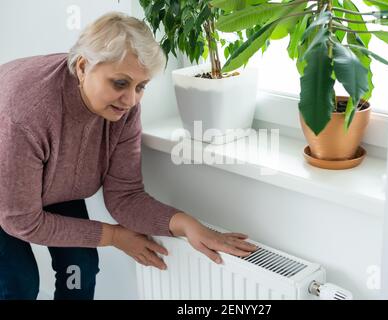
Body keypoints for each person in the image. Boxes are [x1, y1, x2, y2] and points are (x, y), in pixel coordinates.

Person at [0, 12, 257, 300]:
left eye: (141, 86)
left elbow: (125, 195)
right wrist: (113, 236)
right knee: (18, 282)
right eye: (120, 83)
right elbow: (21, 221)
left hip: (49, 179)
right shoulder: (25, 115)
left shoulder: (123, 110)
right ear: (83, 67)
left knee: (80, 268)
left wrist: (187, 225)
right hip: (5, 179)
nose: (131, 100)